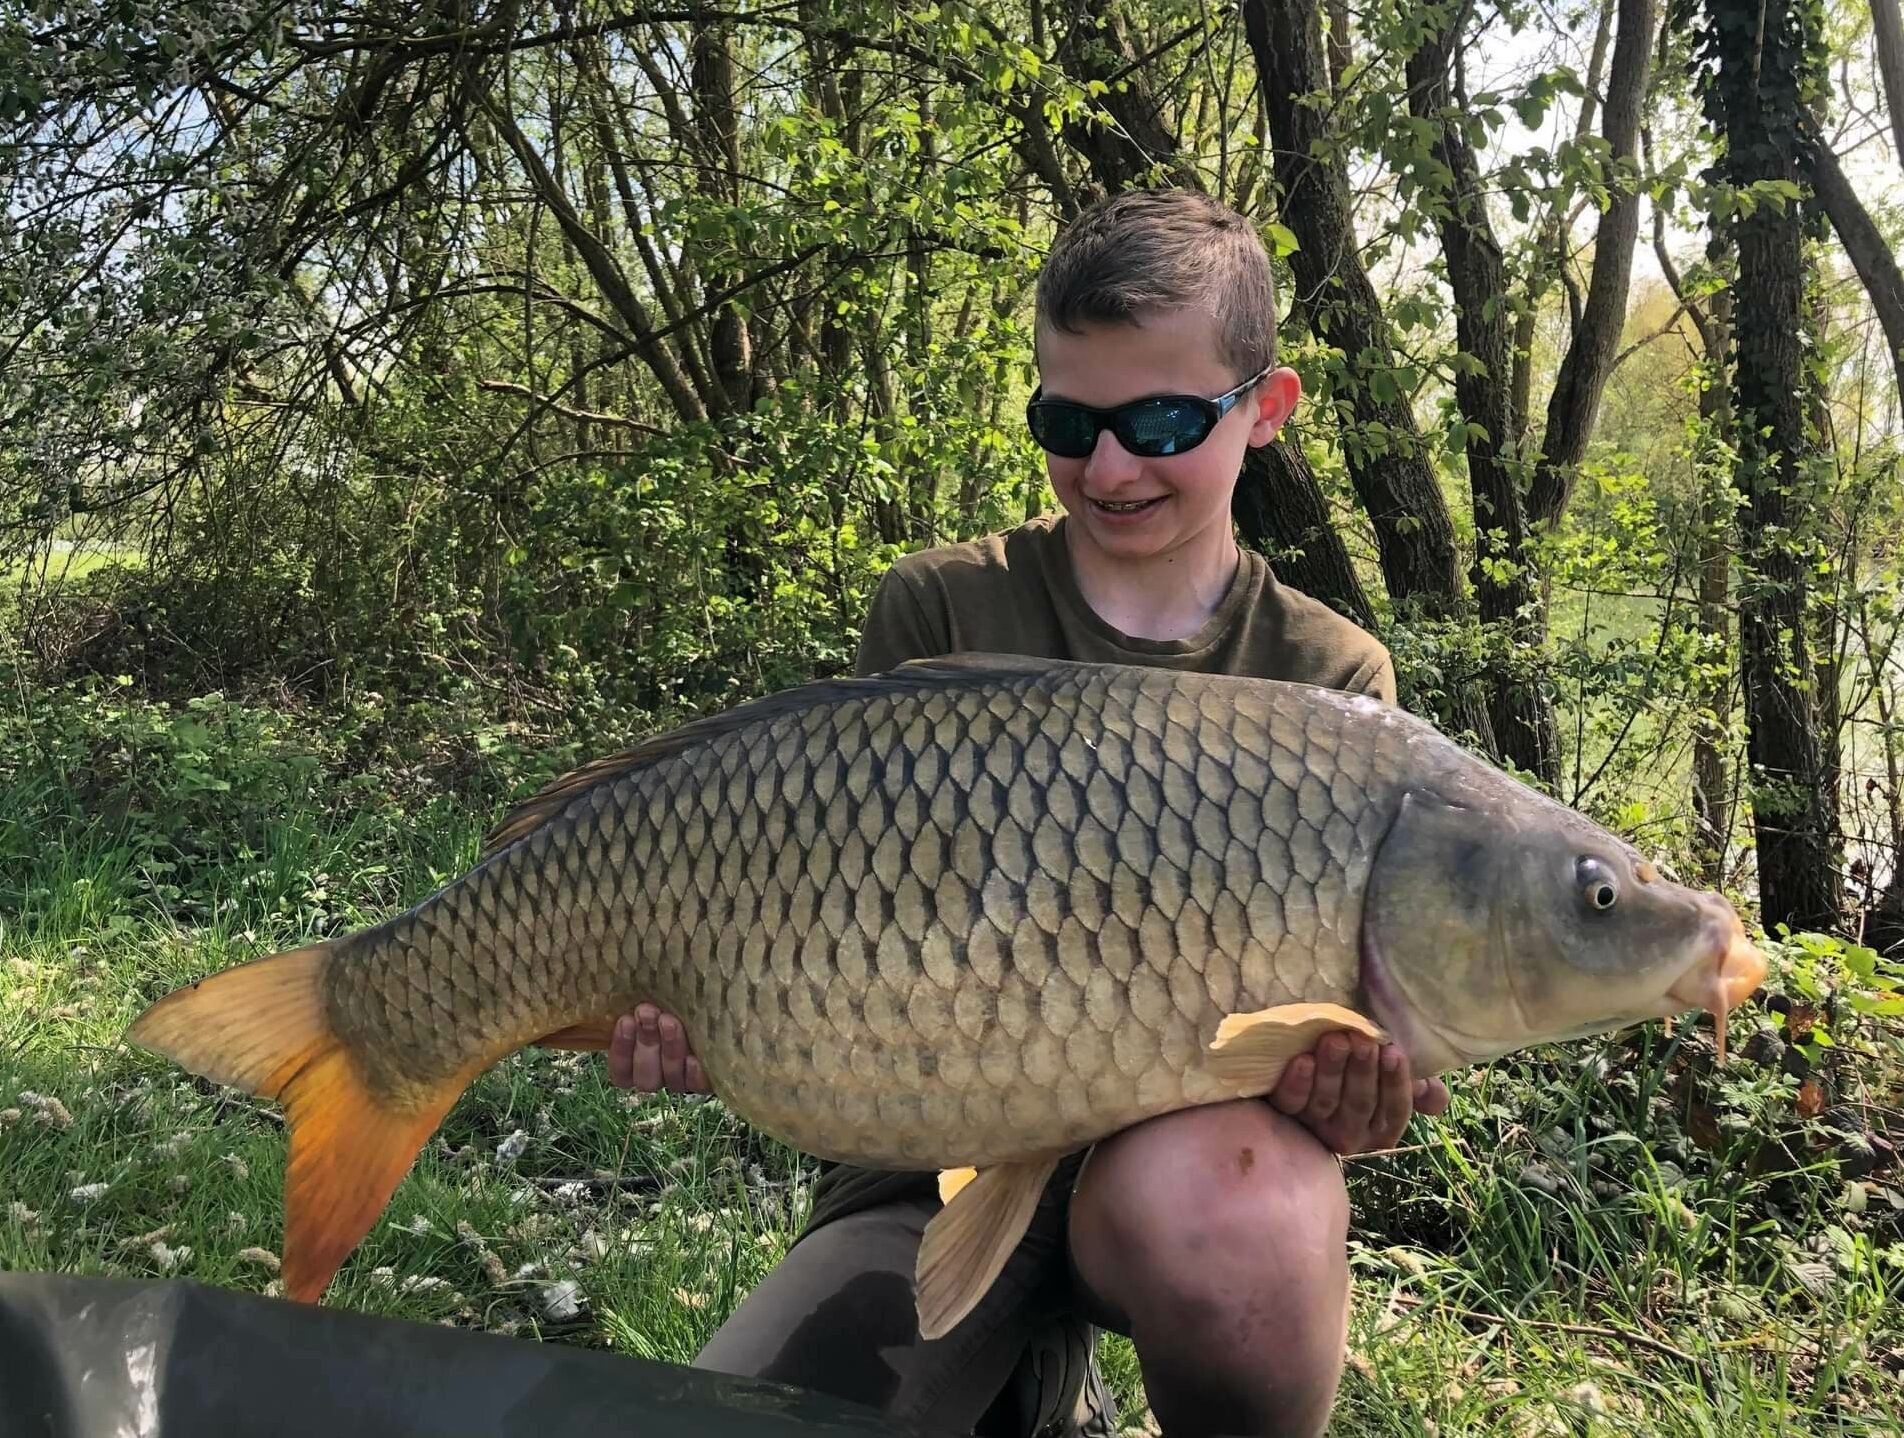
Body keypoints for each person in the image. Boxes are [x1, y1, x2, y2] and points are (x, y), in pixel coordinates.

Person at [602, 188, 1452, 1438]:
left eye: (1159, 419)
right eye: (1069, 419)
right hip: (921, 1166)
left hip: (1184, 1178)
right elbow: (816, 911)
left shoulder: (1326, 680)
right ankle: (1031, 1374)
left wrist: (1346, 1097)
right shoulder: (939, 608)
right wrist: (706, 1007)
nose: (1108, 467)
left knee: (1246, 1215)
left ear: (1262, 409)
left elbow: (1331, 1053)